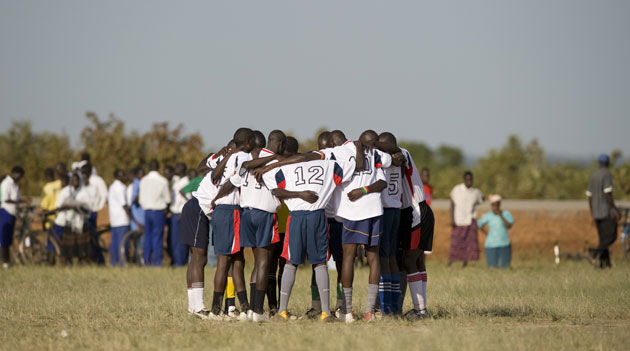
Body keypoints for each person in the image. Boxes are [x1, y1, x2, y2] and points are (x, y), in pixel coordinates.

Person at [213, 130, 287, 322]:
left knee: (256, 262)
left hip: (246, 213)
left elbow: (231, 182)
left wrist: (217, 197)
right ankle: (257, 311)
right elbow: (281, 188)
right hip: (264, 214)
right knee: (263, 262)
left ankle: (252, 308)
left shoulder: (248, 162)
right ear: (279, 144)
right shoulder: (274, 162)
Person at [262, 157, 346, 322]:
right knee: (320, 262)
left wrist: (297, 194)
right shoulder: (327, 164)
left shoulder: (286, 168)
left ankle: (282, 311)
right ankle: (326, 313)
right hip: (317, 214)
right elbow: (343, 174)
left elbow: (275, 191)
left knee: (290, 261)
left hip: (296, 216)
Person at [208, 129, 255, 320]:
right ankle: (220, 310)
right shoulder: (244, 156)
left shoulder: (223, 158)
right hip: (231, 211)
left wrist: (227, 155)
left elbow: (211, 174)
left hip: (220, 212)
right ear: (248, 142)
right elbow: (233, 182)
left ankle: (238, 307)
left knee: (233, 261)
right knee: (231, 262)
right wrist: (218, 196)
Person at [586, 154, 621, 268]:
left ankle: (605, 265)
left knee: (603, 239)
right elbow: (607, 193)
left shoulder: (594, 175)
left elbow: (589, 196)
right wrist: (615, 209)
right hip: (606, 212)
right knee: (611, 237)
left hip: (596, 213)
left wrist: (592, 213)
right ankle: (594, 253)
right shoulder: (606, 174)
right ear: (607, 163)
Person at [138, 159, 171, 266]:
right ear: (158, 167)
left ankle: (146, 260)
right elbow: (167, 199)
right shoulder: (163, 181)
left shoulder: (143, 180)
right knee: (157, 237)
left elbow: (141, 199)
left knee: (148, 235)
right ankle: (156, 261)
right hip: (158, 212)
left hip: (147, 211)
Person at [448, 171, 484, 267]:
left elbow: (482, 199)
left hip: (470, 220)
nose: (469, 181)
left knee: (468, 244)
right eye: (467, 179)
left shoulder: (475, 192)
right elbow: (452, 204)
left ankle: (465, 264)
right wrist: (452, 219)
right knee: (455, 243)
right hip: (458, 220)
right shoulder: (457, 189)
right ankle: (450, 263)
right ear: (464, 179)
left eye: (470, 179)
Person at [478, 195, 514, 268]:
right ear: (491, 206)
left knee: (505, 266)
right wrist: (486, 233)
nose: (495, 207)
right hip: (491, 245)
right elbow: (479, 224)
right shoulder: (488, 215)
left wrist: (500, 215)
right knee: (492, 267)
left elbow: (509, 226)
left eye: (497, 205)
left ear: (499, 205)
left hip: (504, 244)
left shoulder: (506, 214)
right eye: (493, 205)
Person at [0, 167, 26, 268]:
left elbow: (17, 198)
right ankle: (5, 261)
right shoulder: (6, 183)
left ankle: (7, 261)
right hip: (6, 212)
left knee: (8, 238)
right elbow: (5, 199)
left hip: (12, 213)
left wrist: (23, 200)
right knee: (3, 238)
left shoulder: (15, 184)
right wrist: (20, 202)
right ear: (15, 173)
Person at [108, 169, 131, 266]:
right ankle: (122, 263)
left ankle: (114, 262)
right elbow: (124, 205)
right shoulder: (120, 188)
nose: (125, 177)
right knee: (122, 243)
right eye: (123, 175)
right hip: (122, 219)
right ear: (118, 177)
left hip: (114, 219)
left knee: (115, 242)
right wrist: (133, 219)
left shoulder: (112, 187)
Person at [169, 163, 190, 266]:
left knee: (180, 240)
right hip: (174, 213)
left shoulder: (185, 182)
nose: (175, 169)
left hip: (180, 214)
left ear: (182, 170)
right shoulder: (176, 181)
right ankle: (176, 260)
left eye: (177, 167)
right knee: (174, 240)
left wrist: (183, 213)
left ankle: (180, 262)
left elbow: (187, 199)